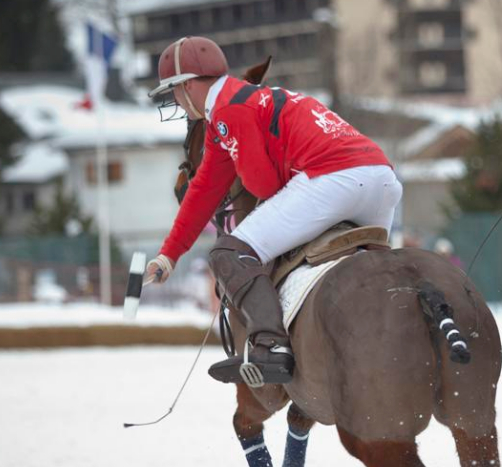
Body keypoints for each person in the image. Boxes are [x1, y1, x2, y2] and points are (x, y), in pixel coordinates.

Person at [143, 36, 401, 386]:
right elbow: (203, 189)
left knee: (228, 252)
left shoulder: (230, 110)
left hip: (332, 180)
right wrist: (169, 254)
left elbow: (263, 185)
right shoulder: (244, 102)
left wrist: (243, 163)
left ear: (188, 86)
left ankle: (271, 345)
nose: (174, 99)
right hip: (382, 180)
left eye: (173, 90)